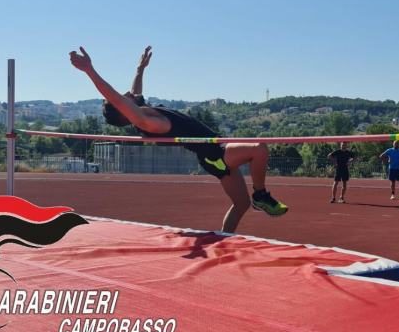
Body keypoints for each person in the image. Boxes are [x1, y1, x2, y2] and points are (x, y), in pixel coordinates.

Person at [70, 46, 287, 232]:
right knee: (259, 148)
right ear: (125, 110)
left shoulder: (144, 111)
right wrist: (89, 70)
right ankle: (261, 195)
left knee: (241, 204)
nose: (128, 92)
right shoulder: (148, 121)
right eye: (125, 97)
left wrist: (140, 69)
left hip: (212, 155)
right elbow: (116, 98)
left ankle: (224, 241)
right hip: (215, 152)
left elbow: (133, 93)